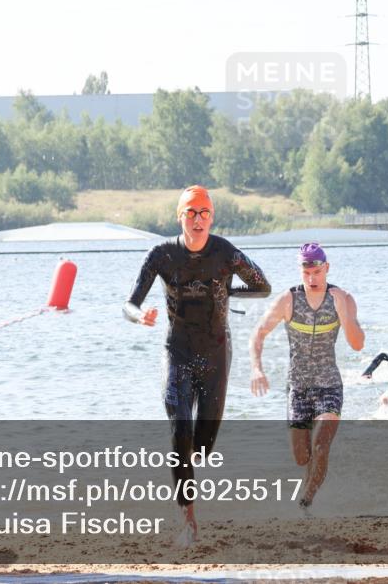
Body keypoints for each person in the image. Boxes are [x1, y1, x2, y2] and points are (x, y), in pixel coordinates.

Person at [124, 185, 271, 545]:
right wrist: (140, 316)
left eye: (204, 213)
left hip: (217, 352)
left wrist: (229, 291)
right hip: (177, 351)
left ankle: (192, 471)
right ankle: (187, 520)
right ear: (180, 217)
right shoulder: (160, 254)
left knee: (203, 445)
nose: (197, 219)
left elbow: (263, 286)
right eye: (190, 212)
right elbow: (128, 304)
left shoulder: (225, 253)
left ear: (212, 217)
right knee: (180, 430)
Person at [250, 242, 365, 515]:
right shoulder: (288, 300)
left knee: (321, 445)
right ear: (301, 271)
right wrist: (257, 367)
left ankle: (306, 502)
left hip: (329, 386)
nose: (312, 279)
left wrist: (345, 317)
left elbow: (358, 344)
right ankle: (311, 482)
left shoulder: (343, 299)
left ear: (327, 268)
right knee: (302, 457)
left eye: (317, 272)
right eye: (306, 273)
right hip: (298, 387)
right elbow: (258, 333)